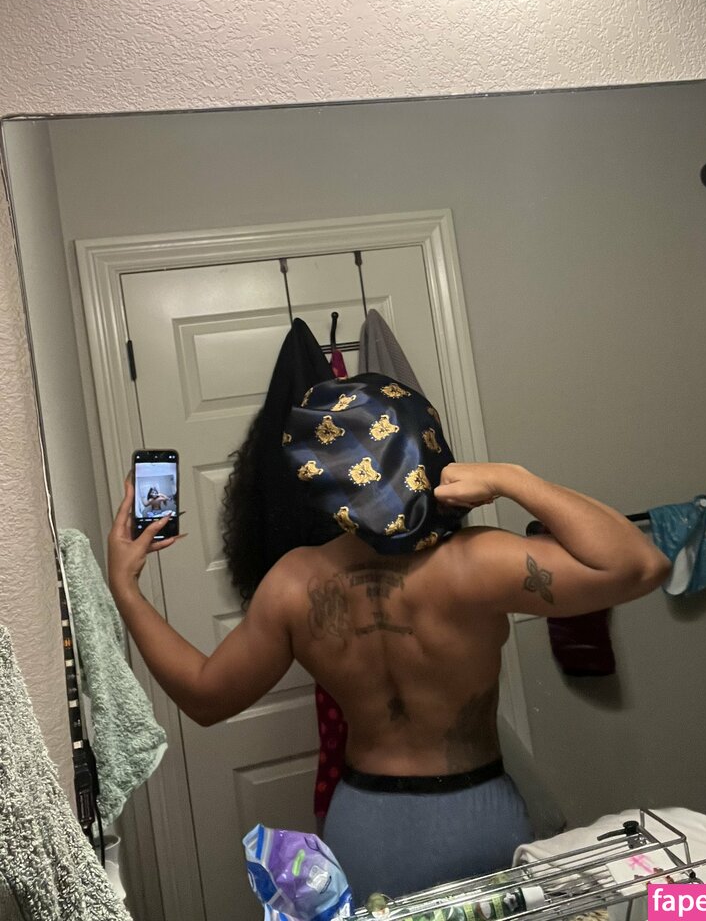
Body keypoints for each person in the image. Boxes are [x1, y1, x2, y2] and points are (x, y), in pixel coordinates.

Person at [107, 375, 670, 902]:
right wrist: (511, 478)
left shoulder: (293, 586)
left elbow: (205, 697)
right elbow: (640, 564)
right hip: (475, 816)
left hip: (363, 823)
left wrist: (125, 587)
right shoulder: (475, 563)